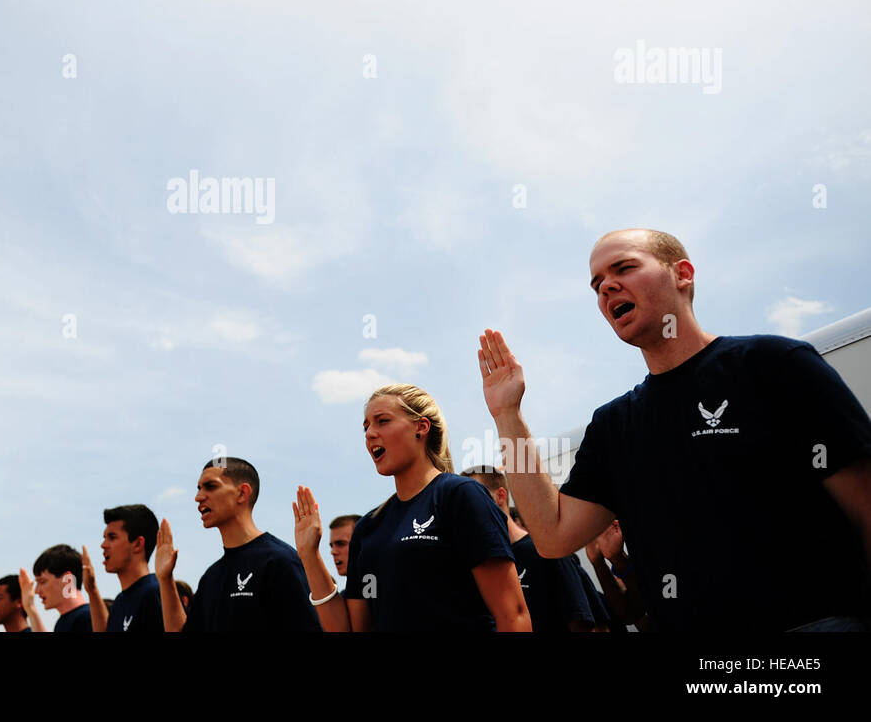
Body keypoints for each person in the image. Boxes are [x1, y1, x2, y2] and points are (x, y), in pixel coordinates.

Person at [479, 228, 871, 631]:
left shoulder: (775, 364)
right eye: (597, 285)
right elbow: (553, 536)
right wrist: (508, 415)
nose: (606, 287)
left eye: (624, 267)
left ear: (682, 274)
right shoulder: (614, 425)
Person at [294, 385, 531, 632]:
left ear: (421, 427)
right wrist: (310, 555)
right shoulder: (368, 527)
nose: (370, 434)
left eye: (382, 421)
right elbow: (350, 630)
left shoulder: (460, 496)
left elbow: (513, 616)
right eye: (366, 427)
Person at [156, 458, 320, 632]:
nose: (198, 497)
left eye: (211, 486)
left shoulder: (280, 561)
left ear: (242, 493)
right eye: (199, 489)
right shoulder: (211, 577)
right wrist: (165, 580)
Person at [462, 466, 594, 632]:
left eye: (473, 498)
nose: (467, 508)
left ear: (500, 496)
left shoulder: (544, 550)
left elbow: (580, 620)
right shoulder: (483, 561)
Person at [86, 504, 162, 633]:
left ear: (138, 544)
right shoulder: (119, 601)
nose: (103, 545)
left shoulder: (155, 593)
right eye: (104, 538)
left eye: (112, 537)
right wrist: (91, 589)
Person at [33, 545, 91, 632]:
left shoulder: (87, 618)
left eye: (42, 582)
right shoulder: (62, 623)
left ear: (67, 580)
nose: (36, 591)